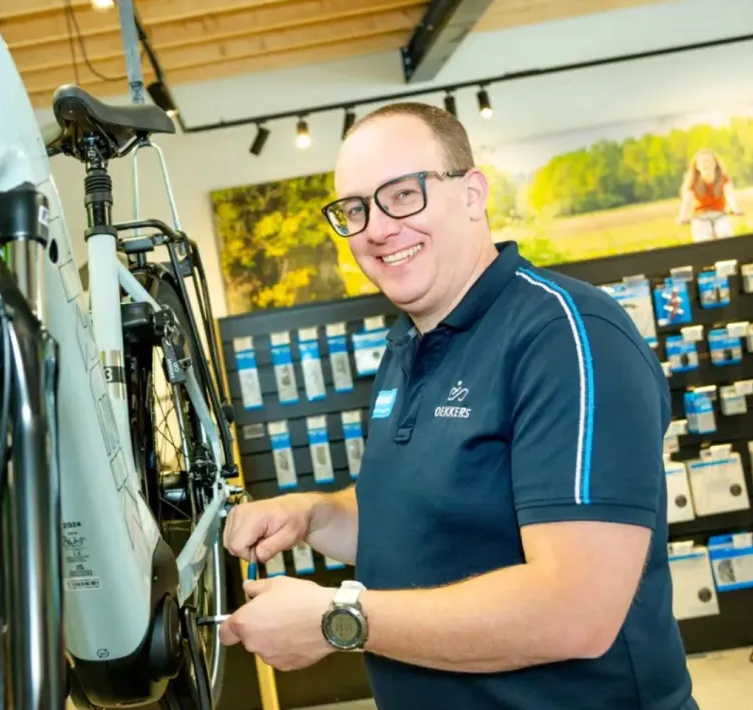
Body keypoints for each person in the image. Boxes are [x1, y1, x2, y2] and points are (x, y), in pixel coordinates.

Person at [220, 101, 698, 710]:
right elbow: (426, 523)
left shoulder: (567, 336)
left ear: (473, 194)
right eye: (356, 209)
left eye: (402, 194)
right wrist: (312, 514)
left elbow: (575, 612)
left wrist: (337, 619)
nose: (376, 228)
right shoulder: (407, 348)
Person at [677, 148, 743, 242]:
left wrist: (736, 209)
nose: (706, 164)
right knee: (703, 241)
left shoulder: (723, 179)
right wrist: (683, 216)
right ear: (697, 166)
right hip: (700, 217)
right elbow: (687, 201)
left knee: (725, 235)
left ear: (715, 164)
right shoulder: (693, 181)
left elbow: (730, 195)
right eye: (702, 162)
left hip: (719, 215)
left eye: (708, 161)